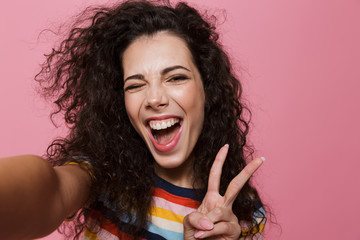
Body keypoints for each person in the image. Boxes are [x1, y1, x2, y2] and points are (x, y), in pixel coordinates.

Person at [0, 0, 267, 239]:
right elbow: (52, 192)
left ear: (208, 89)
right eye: (135, 85)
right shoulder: (104, 171)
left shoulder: (241, 213)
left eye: (175, 78)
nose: (154, 98)